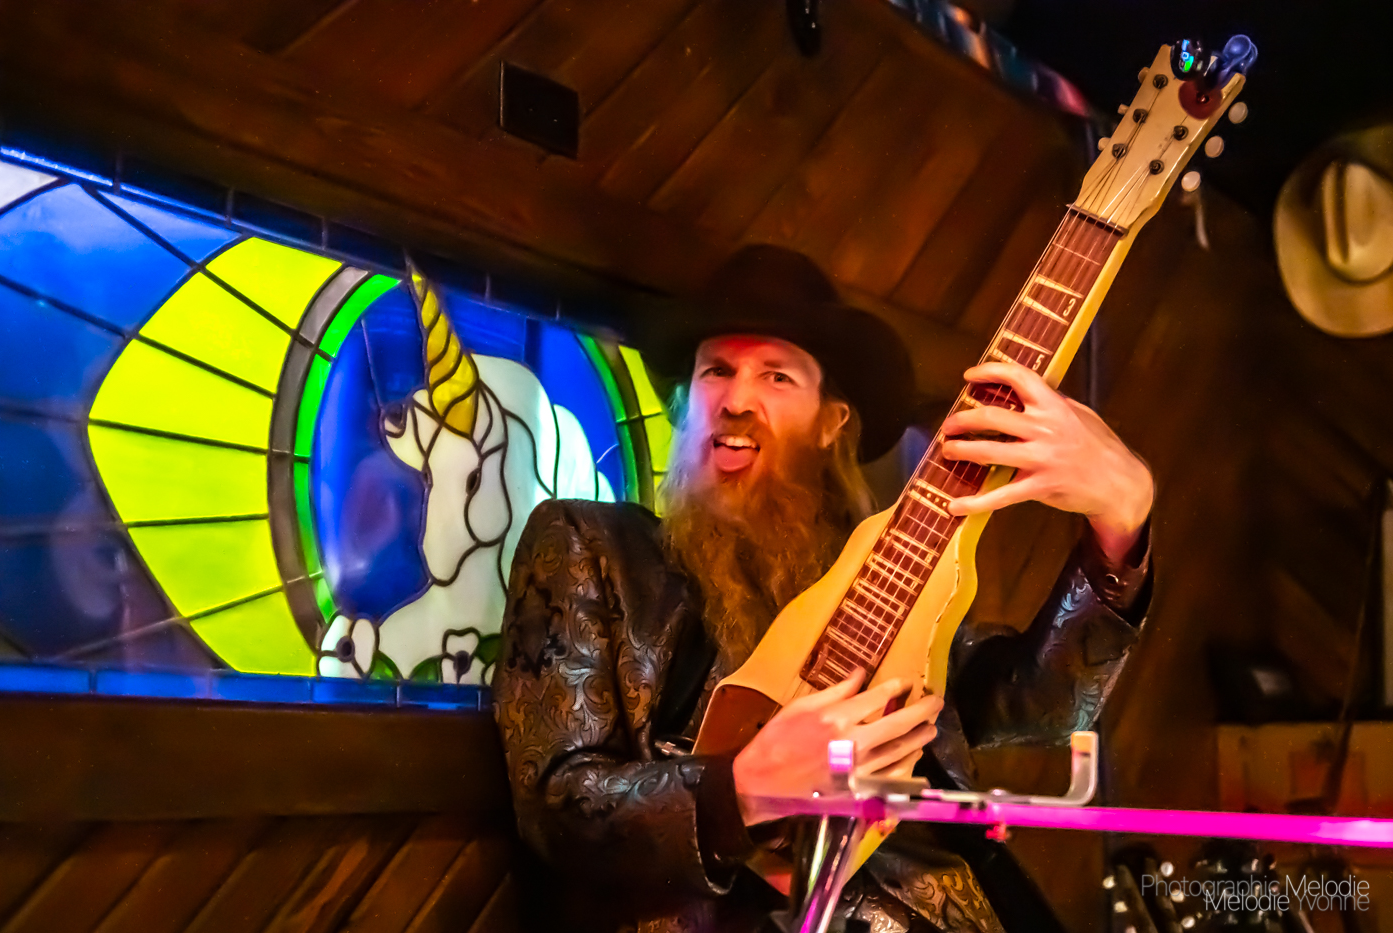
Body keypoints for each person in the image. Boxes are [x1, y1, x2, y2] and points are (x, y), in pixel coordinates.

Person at [493, 245, 1153, 933]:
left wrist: (1121, 527)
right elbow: (556, 803)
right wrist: (738, 790)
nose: (736, 400)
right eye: (716, 370)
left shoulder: (882, 573)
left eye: (776, 376)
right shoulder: (592, 544)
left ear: (832, 420)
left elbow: (1041, 708)